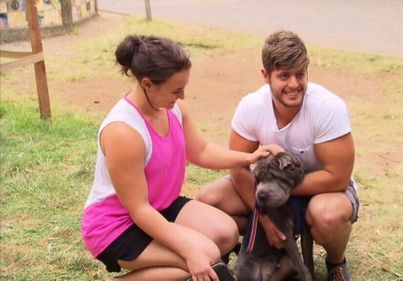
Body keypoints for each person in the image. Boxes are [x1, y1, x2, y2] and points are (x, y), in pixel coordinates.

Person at [81, 34, 272, 281]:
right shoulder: (123, 131)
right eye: (176, 90)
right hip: (116, 224)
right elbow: (138, 209)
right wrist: (189, 252)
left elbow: (200, 151)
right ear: (147, 84)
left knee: (226, 234)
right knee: (204, 257)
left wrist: (249, 157)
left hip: (160, 206)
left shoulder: (172, 109)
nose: (182, 97)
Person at [197, 30, 360, 281]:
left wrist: (275, 191)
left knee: (328, 216)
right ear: (265, 75)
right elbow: (237, 166)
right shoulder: (251, 107)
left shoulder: (328, 108)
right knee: (209, 201)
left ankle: (336, 263)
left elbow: (337, 178)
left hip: (322, 190)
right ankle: (253, 254)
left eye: (300, 74)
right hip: (272, 193)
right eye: (284, 76)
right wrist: (263, 216)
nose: (294, 84)